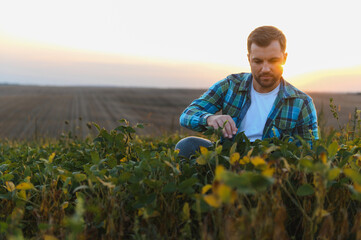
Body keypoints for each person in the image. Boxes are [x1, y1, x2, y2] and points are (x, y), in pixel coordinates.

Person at [176, 26, 318, 158]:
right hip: (228, 158)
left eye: (273, 60)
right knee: (186, 146)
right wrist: (210, 118)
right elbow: (187, 115)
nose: (265, 69)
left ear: (284, 58)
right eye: (258, 61)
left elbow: (308, 151)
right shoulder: (231, 85)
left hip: (272, 167)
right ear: (249, 59)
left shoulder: (301, 102)